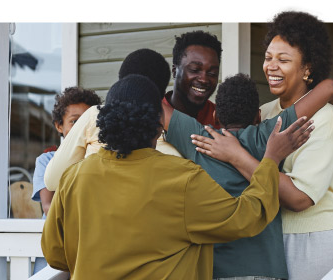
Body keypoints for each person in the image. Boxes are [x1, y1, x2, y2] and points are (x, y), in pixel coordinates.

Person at [41, 74, 311, 279]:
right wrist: (270, 160)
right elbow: (246, 217)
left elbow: (54, 252)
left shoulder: (74, 178)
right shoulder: (182, 178)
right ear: (158, 126)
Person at [190, 11, 333, 279]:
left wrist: (236, 156)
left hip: (319, 240)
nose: (271, 66)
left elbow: (299, 198)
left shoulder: (327, 119)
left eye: (283, 60)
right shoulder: (264, 112)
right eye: (269, 57)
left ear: (308, 68)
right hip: (276, 239)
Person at [163, 73, 333, 280]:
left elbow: (153, 108)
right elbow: (330, 86)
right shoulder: (271, 135)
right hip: (267, 270)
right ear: (258, 116)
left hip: (217, 271)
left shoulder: (201, 139)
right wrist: (332, 109)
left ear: (215, 117)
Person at [43, 48, 181, 191]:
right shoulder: (177, 140)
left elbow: (53, 180)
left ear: (119, 84)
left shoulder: (94, 115)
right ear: (161, 95)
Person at [30, 86, 101, 274]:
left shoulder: (99, 159)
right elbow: (48, 205)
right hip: (56, 243)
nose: (81, 128)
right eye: (75, 122)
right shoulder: (46, 160)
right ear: (59, 126)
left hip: (90, 245)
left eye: (87, 121)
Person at [164, 30, 222, 128]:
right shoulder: (152, 114)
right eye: (194, 70)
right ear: (174, 71)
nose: (203, 79)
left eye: (212, 73)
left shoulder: (221, 120)